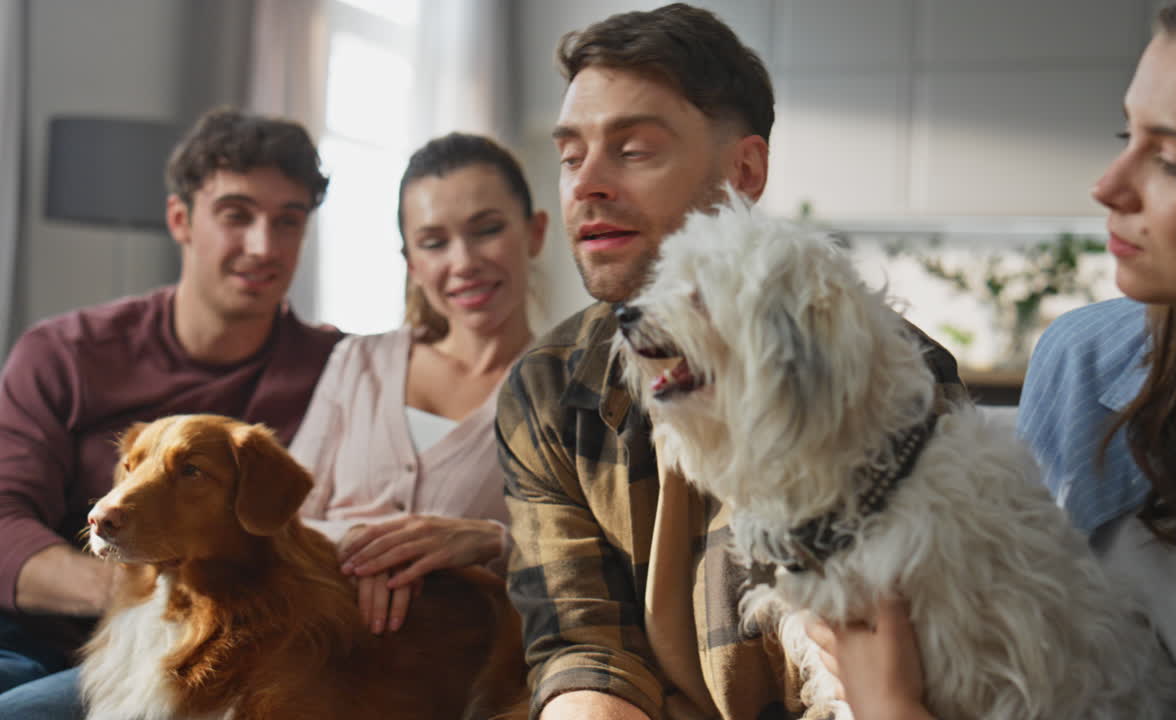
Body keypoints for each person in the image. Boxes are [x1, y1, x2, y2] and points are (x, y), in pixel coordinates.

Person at [495, 4, 966, 719]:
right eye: (569, 156)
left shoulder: (882, 377)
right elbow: (585, 648)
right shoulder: (546, 387)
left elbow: (886, 680)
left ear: (744, 170)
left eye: (633, 150)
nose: (586, 183)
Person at [812, 1, 1176, 718]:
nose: (1108, 186)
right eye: (1127, 135)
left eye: (1172, 161)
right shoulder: (1082, 364)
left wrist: (892, 705)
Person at [0, 107, 343, 715]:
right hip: (40, 632)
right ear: (180, 219)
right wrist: (133, 588)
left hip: (213, 651)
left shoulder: (339, 370)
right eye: (236, 215)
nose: (263, 246)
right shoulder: (65, 353)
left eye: (288, 221)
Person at [289, 132, 546, 635]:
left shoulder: (566, 388)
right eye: (434, 243)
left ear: (534, 233)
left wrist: (493, 541)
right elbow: (283, 519)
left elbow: (597, 553)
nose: (464, 262)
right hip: (312, 639)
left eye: (487, 229)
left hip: (460, 665)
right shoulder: (357, 362)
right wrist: (363, 545)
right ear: (412, 263)